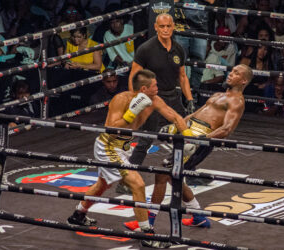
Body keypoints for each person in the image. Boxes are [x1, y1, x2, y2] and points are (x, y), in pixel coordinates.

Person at [67, 69, 193, 248]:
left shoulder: (155, 100)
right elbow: (111, 129)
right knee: (138, 185)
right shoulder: (121, 100)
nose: (158, 87)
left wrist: (188, 136)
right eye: (155, 85)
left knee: (102, 185)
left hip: (123, 149)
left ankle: (78, 215)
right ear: (144, 88)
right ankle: (147, 235)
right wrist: (131, 113)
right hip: (108, 147)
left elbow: (175, 117)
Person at [124, 64, 253, 231]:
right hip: (189, 132)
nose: (231, 74)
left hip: (199, 139)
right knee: (173, 177)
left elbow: (227, 129)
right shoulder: (219, 94)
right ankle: (199, 216)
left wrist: (201, 139)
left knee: (162, 174)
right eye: (232, 70)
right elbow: (197, 113)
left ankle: (148, 222)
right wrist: (178, 125)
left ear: (243, 81)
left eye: (236, 73)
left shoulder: (236, 101)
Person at [127, 13, 195, 168]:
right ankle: (128, 174)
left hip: (173, 96)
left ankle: (184, 168)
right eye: (162, 26)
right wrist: (134, 99)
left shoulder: (178, 49)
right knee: (146, 139)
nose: (165, 29)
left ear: (173, 27)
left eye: (168, 26)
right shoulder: (146, 49)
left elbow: (182, 76)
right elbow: (133, 75)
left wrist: (190, 99)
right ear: (156, 27)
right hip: (154, 99)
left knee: (185, 133)